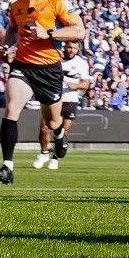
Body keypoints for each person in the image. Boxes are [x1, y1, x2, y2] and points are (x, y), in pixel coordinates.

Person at [0, 0, 86, 185]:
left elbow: (79, 31)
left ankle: (60, 136)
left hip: (49, 68)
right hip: (23, 65)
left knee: (52, 123)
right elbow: (13, 29)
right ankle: (7, 166)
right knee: (11, 108)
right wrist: (7, 45)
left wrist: (50, 34)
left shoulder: (57, 1)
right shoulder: (17, 6)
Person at [33, 40, 91, 170]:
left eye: (75, 48)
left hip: (70, 99)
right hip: (53, 97)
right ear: (65, 46)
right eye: (69, 47)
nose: (71, 50)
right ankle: (44, 153)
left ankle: (55, 158)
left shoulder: (81, 63)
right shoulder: (55, 58)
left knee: (63, 133)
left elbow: (86, 84)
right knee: (44, 128)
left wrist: (76, 86)